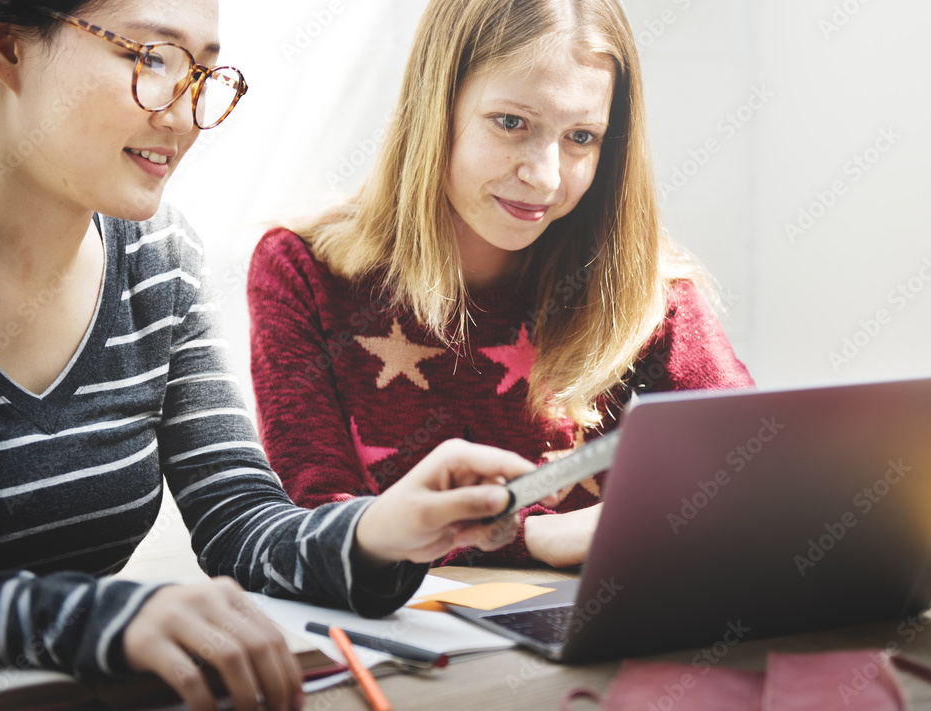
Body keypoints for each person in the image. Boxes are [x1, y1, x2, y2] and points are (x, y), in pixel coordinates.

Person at [0, 2, 537, 710]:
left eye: (200, 71)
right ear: (5, 46)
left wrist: (382, 530)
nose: (187, 115)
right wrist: (96, 618)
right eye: (151, 59)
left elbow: (239, 519)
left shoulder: (157, 261)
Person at [248, 0, 754, 572]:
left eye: (581, 137)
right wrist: (535, 538)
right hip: (420, 641)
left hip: (602, 629)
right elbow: (320, 532)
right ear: (436, 106)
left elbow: (754, 469)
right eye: (512, 123)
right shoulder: (304, 272)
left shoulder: (641, 289)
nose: (544, 175)